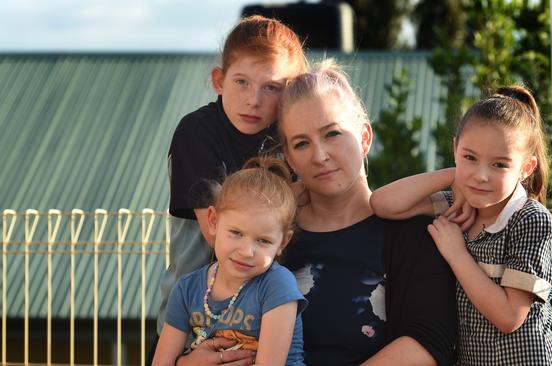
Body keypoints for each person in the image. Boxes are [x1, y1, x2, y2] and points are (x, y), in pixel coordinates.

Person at [276, 60, 458, 366]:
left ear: (364, 137)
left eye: (332, 133)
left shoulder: (412, 231)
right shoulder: (274, 239)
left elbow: (430, 341)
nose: (319, 156)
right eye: (302, 143)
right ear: (290, 158)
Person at [149, 15, 308, 365]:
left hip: (267, 309)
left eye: (272, 87)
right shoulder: (198, 132)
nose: (254, 99)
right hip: (196, 318)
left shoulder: (291, 136)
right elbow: (218, 233)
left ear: (290, 91)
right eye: (242, 82)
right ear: (219, 81)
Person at [370, 85, 552, 364]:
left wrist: (456, 253)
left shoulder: (531, 220)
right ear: (455, 149)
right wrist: (453, 176)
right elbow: (383, 203)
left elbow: (510, 317)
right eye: (469, 157)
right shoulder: (460, 205)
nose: (480, 176)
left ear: (526, 168)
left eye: (499, 164)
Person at [153, 157, 308, 366]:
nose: (246, 252)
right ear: (213, 221)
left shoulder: (276, 285)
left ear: (283, 242)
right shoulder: (186, 289)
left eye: (263, 240)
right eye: (236, 232)